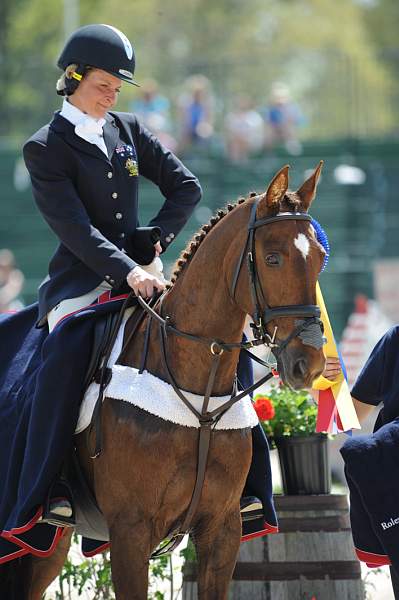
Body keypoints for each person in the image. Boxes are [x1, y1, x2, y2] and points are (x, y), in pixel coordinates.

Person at [19, 24, 266, 528]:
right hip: (81, 283)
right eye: (102, 85)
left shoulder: (127, 129)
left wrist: (156, 240)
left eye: (116, 88)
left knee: (218, 343)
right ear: (72, 77)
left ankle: (250, 483)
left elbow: (186, 187)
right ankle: (51, 486)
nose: (111, 95)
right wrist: (128, 270)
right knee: (63, 359)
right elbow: (76, 229)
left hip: (145, 274)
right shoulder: (45, 147)